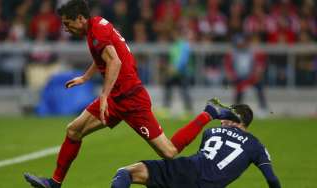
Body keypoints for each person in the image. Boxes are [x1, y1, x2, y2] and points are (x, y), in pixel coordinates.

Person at [23, 1, 241, 188]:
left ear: (80, 18)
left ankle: (209, 113)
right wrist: (85, 78)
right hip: (117, 97)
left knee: (169, 152)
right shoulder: (95, 26)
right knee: (73, 130)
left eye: (67, 24)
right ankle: (54, 183)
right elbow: (104, 58)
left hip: (131, 100)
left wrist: (104, 96)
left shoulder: (97, 32)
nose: (66, 29)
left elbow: (115, 62)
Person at [111, 103, 281, 188]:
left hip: (186, 171)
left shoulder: (211, 132)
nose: (222, 120)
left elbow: (201, 158)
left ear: (233, 120)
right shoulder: (257, 146)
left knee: (127, 172)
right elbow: (272, 179)